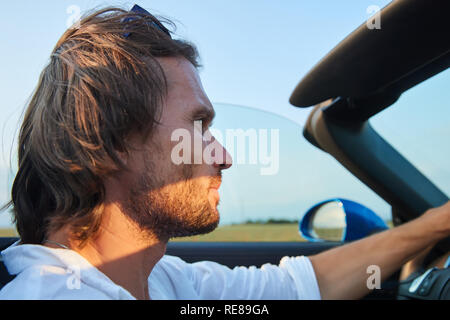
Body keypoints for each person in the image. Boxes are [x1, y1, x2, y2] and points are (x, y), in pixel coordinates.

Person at [0, 5, 449, 300]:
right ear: (104, 143)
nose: (225, 157)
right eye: (198, 126)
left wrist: (436, 223)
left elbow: (302, 286)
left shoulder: (164, 281)